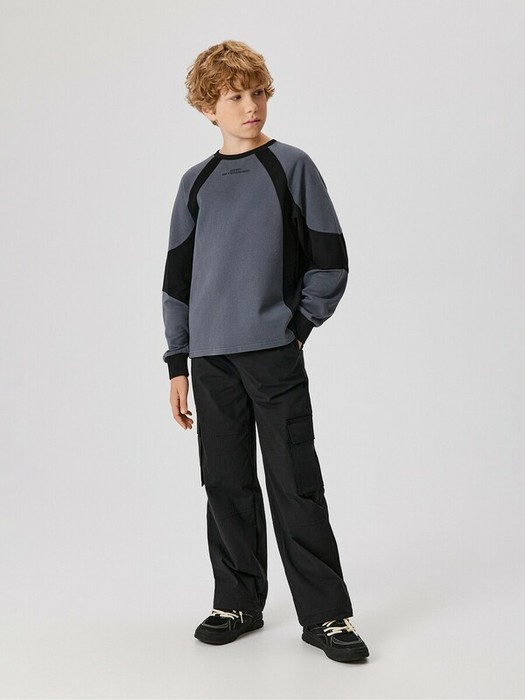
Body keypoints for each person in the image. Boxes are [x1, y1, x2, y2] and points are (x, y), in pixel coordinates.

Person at [161, 39, 369, 663]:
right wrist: (177, 362)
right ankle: (238, 602)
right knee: (225, 483)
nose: (250, 106)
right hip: (211, 361)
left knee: (295, 482)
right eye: (234, 97)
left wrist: (296, 328)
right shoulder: (196, 183)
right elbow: (177, 281)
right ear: (209, 109)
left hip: (273, 355)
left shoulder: (292, 166)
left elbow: (329, 259)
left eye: (257, 93)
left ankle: (326, 616)